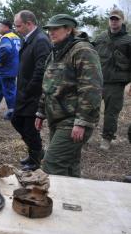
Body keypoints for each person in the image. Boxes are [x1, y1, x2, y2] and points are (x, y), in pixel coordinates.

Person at [35, 14, 103, 177]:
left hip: (72, 120)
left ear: (68, 29)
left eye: (56, 28)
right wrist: (41, 112)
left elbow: (91, 88)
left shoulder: (82, 50)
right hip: (56, 119)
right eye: (49, 29)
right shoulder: (56, 52)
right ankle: (73, 200)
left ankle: (53, 200)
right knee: (69, 165)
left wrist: (82, 122)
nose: (51, 32)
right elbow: (49, 86)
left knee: (52, 165)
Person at [12, 10, 52, 171]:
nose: (16, 29)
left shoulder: (41, 40)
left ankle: (35, 160)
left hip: (33, 95)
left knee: (29, 127)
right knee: (17, 121)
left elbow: (41, 70)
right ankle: (36, 151)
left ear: (29, 24)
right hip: (24, 92)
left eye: (19, 25)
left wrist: (28, 91)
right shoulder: (29, 39)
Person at [93, 9, 131, 151]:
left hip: (116, 83)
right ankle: (88, 134)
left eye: (117, 19)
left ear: (122, 21)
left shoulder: (128, 40)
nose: (114, 21)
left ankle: (107, 138)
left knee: (111, 112)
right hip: (98, 80)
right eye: (112, 19)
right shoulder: (101, 37)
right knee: (91, 108)